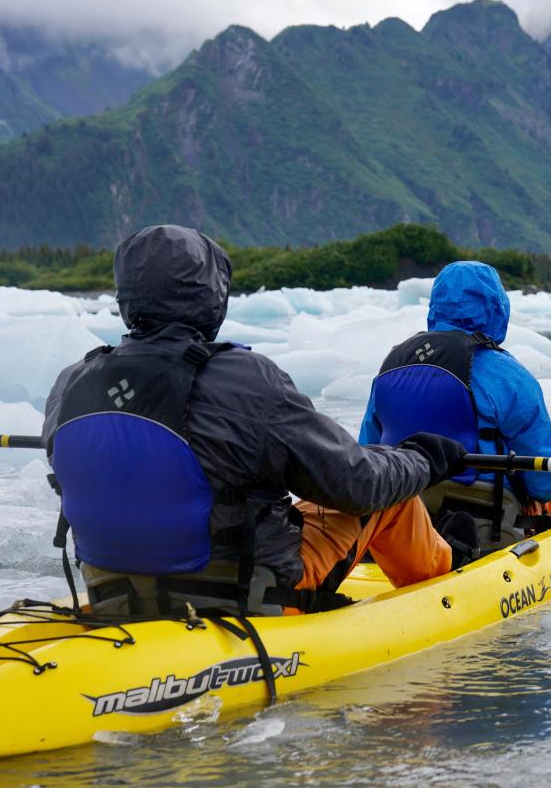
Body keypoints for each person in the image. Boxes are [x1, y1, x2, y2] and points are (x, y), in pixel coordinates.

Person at [41, 224, 473, 618]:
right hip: (244, 593)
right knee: (391, 496)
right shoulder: (245, 379)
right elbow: (357, 485)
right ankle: (450, 583)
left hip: (114, 592)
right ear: (211, 293)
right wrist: (420, 460)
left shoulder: (72, 382)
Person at [358, 260, 551, 542]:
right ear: (496, 307)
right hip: (485, 514)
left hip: (403, 507)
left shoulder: (393, 364)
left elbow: (365, 454)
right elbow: (547, 484)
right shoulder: (506, 373)